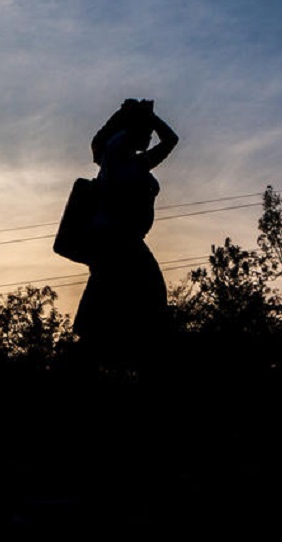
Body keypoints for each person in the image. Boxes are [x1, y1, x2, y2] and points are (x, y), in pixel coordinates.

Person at [74, 99, 179, 374]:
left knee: (131, 302)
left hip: (123, 242)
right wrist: (135, 116)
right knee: (143, 299)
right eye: (144, 132)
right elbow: (167, 139)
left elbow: (170, 140)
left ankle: (114, 357)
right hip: (117, 242)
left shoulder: (133, 162)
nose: (149, 137)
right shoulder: (118, 158)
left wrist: (143, 116)